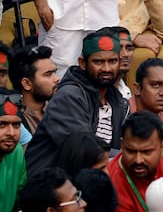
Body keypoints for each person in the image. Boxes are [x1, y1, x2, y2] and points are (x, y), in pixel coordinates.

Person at [24, 29, 127, 173]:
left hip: (93, 179)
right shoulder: (69, 96)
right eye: (98, 62)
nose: (106, 68)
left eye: (112, 61)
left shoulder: (117, 100)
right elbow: (83, 152)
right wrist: (128, 156)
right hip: (54, 185)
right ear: (83, 63)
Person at [107, 111, 163, 212]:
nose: (138, 160)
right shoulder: (114, 182)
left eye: (147, 152)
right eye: (131, 151)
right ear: (122, 145)